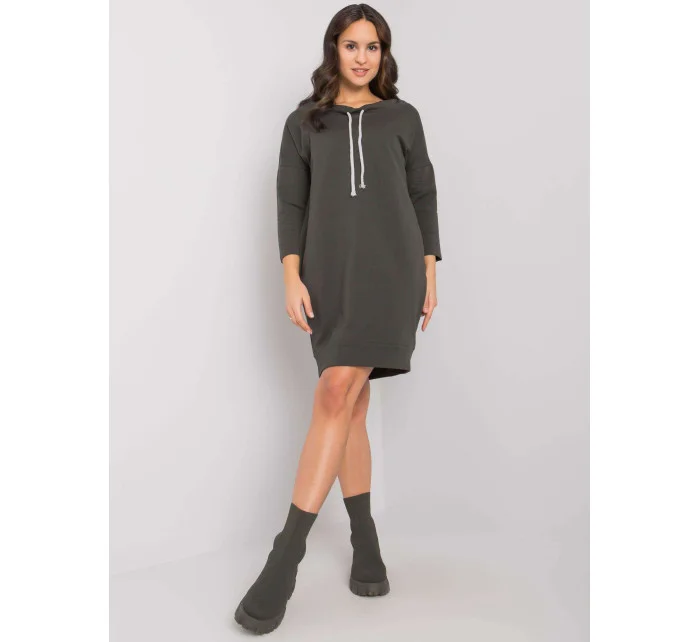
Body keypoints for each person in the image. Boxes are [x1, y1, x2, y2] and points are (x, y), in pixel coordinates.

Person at [234, 3, 442, 634]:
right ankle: (365, 539)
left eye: (372, 46)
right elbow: (290, 201)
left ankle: (285, 559)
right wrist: (290, 275)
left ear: (384, 54)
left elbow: (423, 192)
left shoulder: (403, 118)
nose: (362, 57)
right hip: (328, 275)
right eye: (352, 45)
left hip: (392, 272)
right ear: (334, 49)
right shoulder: (305, 122)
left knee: (338, 392)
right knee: (346, 403)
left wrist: (430, 272)